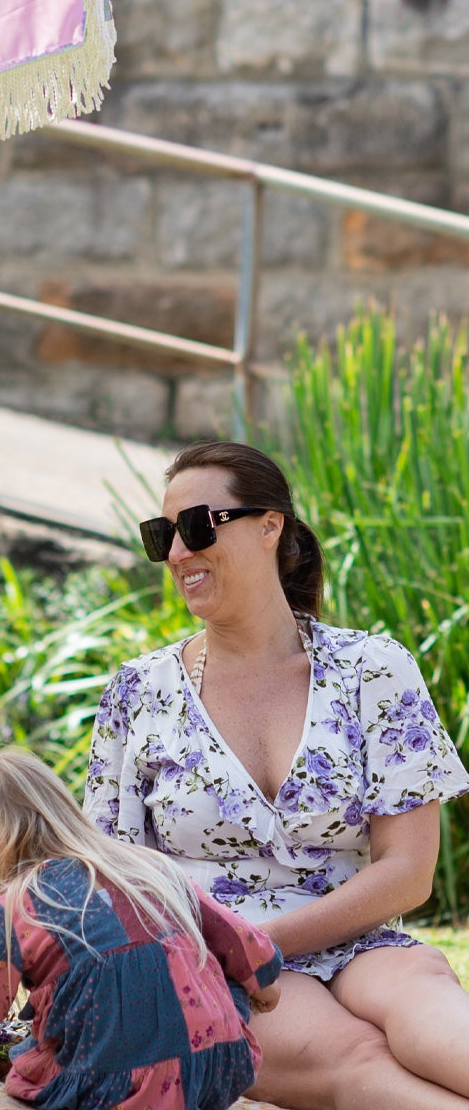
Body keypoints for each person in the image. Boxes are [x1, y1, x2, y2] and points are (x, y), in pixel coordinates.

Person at [85, 439, 469, 1110]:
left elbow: (408, 871)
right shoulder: (137, 692)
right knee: (359, 1060)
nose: (177, 552)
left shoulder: (373, 670)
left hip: (360, 940)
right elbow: (110, 871)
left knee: (428, 1010)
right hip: (214, 967)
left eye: (199, 525)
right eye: (162, 534)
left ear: (271, 526)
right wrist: (223, 951)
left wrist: (267, 941)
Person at [0, 747, 283, 1108]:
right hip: (217, 1069)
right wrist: (264, 988)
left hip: (111, 1089)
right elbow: (246, 943)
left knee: (32, 1058)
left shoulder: (19, 903)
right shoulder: (150, 869)